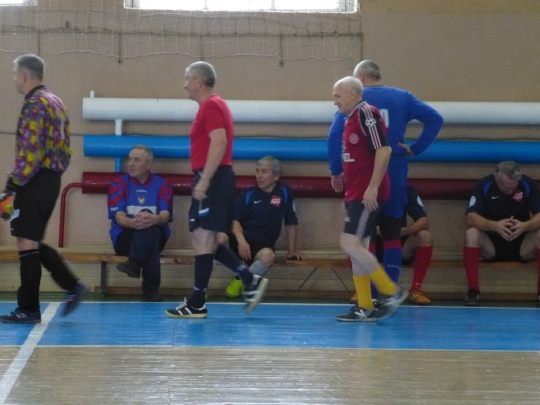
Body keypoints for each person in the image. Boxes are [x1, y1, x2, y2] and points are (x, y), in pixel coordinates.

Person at [328, 60, 443, 290]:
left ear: (360, 78)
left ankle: (373, 293)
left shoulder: (355, 102)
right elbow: (435, 119)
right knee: (392, 232)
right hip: (395, 168)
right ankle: (390, 290)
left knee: (360, 235)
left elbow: (333, 136)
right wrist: (415, 148)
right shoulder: (402, 96)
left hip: (365, 171)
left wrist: (336, 170)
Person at [166, 61, 268, 319]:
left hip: (213, 177)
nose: (184, 85)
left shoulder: (211, 105)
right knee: (206, 240)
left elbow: (219, 141)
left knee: (203, 239)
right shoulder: (212, 105)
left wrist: (205, 180)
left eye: (187, 79)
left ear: (198, 81)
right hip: (214, 177)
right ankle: (247, 280)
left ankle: (199, 302)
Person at [0, 53, 88, 323]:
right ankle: (72, 285)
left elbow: (30, 152)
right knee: (30, 240)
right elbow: (64, 149)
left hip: (34, 180)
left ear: (24, 75)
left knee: (25, 242)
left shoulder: (34, 104)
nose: (14, 78)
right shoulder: (55, 101)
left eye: (15, 73)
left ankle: (29, 308)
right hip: (50, 179)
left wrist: (11, 186)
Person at [331, 76, 407, 322]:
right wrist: (349, 195)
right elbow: (356, 161)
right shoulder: (350, 118)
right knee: (359, 248)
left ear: (353, 94)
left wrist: (372, 188)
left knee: (349, 243)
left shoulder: (366, 112)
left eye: (338, 96)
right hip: (357, 193)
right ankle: (364, 305)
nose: (335, 101)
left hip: (368, 194)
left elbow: (384, 149)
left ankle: (391, 291)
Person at [220, 156, 304, 298]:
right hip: (240, 239)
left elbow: (291, 222)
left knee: (268, 257)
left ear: (276, 176)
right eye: (257, 171)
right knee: (216, 238)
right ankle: (202, 289)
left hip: (262, 244)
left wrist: (292, 251)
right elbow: (234, 221)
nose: (259, 176)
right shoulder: (248, 193)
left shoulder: (285, 193)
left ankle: (242, 279)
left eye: (264, 172)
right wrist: (241, 241)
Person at [464, 161, 540, 306]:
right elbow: (470, 217)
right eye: (505, 187)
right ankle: (473, 290)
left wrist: (525, 226)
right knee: (471, 234)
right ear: (496, 179)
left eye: (513, 187)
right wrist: (493, 225)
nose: (509, 191)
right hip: (492, 244)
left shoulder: (527, 184)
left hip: (521, 243)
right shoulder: (485, 184)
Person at [108, 145, 173, 302]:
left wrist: (154, 219)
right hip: (125, 238)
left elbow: (165, 215)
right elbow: (120, 218)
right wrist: (133, 223)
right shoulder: (118, 184)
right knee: (149, 235)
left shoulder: (163, 185)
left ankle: (134, 262)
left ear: (149, 164)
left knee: (149, 227)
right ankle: (151, 291)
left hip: (156, 235)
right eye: (129, 159)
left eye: (137, 160)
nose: (130, 164)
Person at [371, 184, 434, 305]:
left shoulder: (405, 188)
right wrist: (375, 230)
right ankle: (362, 288)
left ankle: (416, 289)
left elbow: (424, 221)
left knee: (425, 236)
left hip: (398, 241)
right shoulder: (367, 186)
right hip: (373, 241)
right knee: (354, 237)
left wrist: (403, 231)